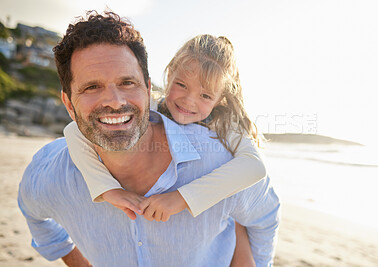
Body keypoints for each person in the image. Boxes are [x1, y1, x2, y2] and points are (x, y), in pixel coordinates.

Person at [18, 11, 280, 266]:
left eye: (205, 96)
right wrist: (107, 189)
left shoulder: (226, 129)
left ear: (221, 98)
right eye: (181, 86)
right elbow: (74, 131)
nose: (188, 101)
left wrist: (182, 198)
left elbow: (255, 172)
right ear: (168, 77)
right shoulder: (147, 103)